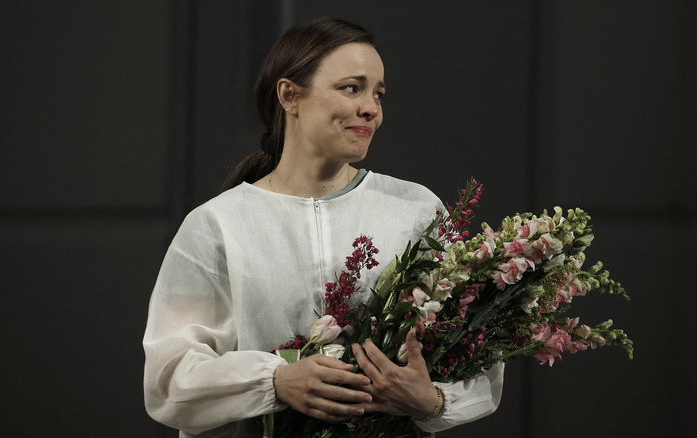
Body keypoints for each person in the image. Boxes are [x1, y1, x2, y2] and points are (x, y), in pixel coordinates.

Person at [143, 17, 504, 438]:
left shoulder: (416, 210)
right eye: (351, 88)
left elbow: (477, 349)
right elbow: (168, 380)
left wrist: (431, 401)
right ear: (289, 95)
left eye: (378, 94)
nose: (371, 108)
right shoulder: (217, 225)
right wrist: (278, 380)